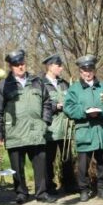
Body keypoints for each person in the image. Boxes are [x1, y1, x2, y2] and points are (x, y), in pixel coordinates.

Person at [0, 49, 54, 204]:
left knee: (40, 165)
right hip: (15, 131)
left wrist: (45, 122)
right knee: (17, 166)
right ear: (11, 67)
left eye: (22, 63)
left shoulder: (37, 81)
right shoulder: (3, 85)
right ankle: (21, 193)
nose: (20, 67)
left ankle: (41, 192)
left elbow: (47, 102)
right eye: (16, 64)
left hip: (36, 131)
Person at [63, 55, 103, 201]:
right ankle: (83, 190)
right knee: (82, 166)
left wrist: (102, 111)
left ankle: (102, 189)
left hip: (101, 131)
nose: (87, 73)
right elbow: (68, 108)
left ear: (94, 70)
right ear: (80, 71)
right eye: (84, 70)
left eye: (90, 69)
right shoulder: (74, 89)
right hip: (85, 131)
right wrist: (84, 112)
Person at [41, 53, 72, 197]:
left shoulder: (64, 83)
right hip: (51, 129)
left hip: (65, 127)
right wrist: (55, 106)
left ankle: (69, 185)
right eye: (58, 66)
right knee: (49, 160)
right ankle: (49, 186)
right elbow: (39, 104)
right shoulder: (41, 84)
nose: (61, 68)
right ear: (50, 66)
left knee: (67, 158)